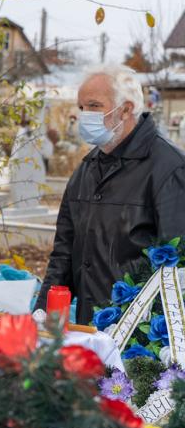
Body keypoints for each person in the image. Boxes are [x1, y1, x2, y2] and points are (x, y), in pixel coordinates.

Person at [38, 64, 185, 324]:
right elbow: (64, 252)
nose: (84, 115)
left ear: (126, 109)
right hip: (89, 327)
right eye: (81, 107)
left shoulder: (169, 168)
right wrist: (43, 315)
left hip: (141, 335)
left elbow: (177, 263)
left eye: (94, 106)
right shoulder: (86, 170)